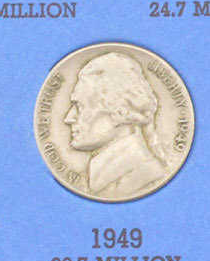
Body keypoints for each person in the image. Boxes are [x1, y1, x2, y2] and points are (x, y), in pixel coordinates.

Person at [64, 52, 166, 199]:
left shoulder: (146, 175)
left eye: (80, 106)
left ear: (120, 110)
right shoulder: (107, 177)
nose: (69, 118)